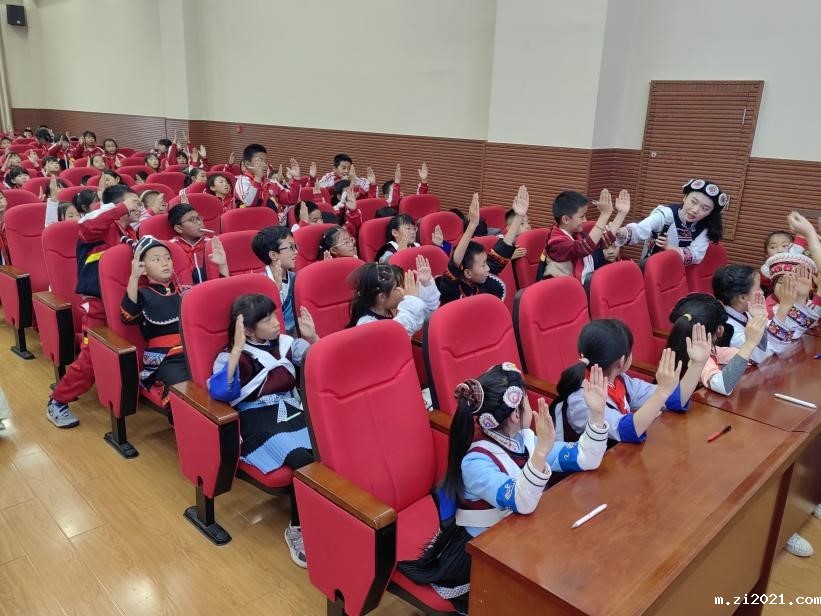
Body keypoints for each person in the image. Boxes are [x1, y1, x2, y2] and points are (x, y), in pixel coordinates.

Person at [397, 363, 609, 613]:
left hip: (518, 537)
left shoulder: (524, 440)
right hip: (482, 552)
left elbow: (586, 457)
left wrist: (597, 415)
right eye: (527, 401)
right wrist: (542, 452)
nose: (531, 405)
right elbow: (522, 501)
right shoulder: (476, 461)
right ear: (516, 415)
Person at [208, 293, 318, 568]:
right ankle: (298, 529)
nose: (276, 323)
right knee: (303, 462)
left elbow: (323, 362)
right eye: (267, 320)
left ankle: (328, 517)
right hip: (255, 419)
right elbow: (220, 393)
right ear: (247, 329)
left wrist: (313, 338)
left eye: (274, 316)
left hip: (290, 409)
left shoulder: (287, 344)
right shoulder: (230, 356)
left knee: (326, 451)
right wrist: (237, 349)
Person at [46, 185, 142, 428]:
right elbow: (87, 225)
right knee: (91, 357)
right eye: (133, 202)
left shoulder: (130, 231)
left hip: (124, 301)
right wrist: (119, 208)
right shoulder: (99, 226)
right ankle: (58, 401)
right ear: (117, 205)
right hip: (98, 304)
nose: (138, 206)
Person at [551, 319, 706, 444]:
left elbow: (675, 399)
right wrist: (661, 392)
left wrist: (697, 365)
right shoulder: (582, 400)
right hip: (584, 471)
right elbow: (627, 430)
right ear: (621, 361)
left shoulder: (620, 381)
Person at [120, 236, 191, 409]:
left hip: (192, 351)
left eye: (167, 258)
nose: (165, 263)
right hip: (166, 358)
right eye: (156, 260)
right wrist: (134, 277)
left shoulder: (185, 291)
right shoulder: (143, 294)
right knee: (182, 388)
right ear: (143, 268)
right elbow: (128, 316)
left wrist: (222, 267)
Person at [665, 293, 768, 396]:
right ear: (719, 329)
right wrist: (749, 343)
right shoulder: (697, 359)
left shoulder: (711, 350)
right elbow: (723, 386)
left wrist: (758, 320)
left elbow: (756, 358)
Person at [437, 188, 527, 305]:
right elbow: (455, 264)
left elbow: (503, 250)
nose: (488, 268)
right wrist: (472, 226)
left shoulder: (483, 279)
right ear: (468, 273)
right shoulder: (450, 289)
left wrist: (519, 216)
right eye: (483, 265)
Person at [615, 178, 728, 267]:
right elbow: (642, 228)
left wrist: (668, 247)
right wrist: (622, 232)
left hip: (679, 275)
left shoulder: (705, 228)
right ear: (685, 197)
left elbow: (696, 255)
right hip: (651, 270)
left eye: (705, 208)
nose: (695, 210)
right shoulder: (666, 214)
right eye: (693, 202)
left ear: (710, 213)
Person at [537, 189, 629, 282]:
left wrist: (621, 214)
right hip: (565, 288)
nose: (585, 220)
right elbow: (585, 247)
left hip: (581, 283)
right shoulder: (557, 243)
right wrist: (604, 215)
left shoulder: (575, 233)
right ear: (565, 219)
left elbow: (602, 242)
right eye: (582, 217)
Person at [347, 257, 440, 336]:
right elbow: (397, 333)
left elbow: (424, 314)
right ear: (382, 297)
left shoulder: (391, 308)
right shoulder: (366, 324)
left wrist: (426, 284)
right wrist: (411, 301)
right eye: (398, 287)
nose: (404, 290)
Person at [759, 252, 820, 354]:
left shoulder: (807, 302)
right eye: (781, 282)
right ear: (773, 286)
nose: (786, 287)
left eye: (794, 282)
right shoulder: (768, 309)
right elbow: (792, 334)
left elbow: (812, 322)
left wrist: (803, 297)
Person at [712, 265, 772, 364]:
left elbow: (770, 328)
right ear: (742, 298)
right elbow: (765, 357)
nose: (762, 292)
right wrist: (784, 307)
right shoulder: (731, 332)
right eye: (758, 288)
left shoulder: (744, 312)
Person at [251, 226, 298, 334]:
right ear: (273, 255)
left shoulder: (296, 278)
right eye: (291, 247)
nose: (296, 251)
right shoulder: (259, 284)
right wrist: (276, 289)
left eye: (295, 246)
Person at [168, 202, 228, 284]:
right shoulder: (171, 248)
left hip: (213, 288)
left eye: (198, 218)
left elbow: (225, 280)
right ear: (179, 228)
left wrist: (222, 264)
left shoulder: (213, 245)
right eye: (192, 220)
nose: (199, 223)